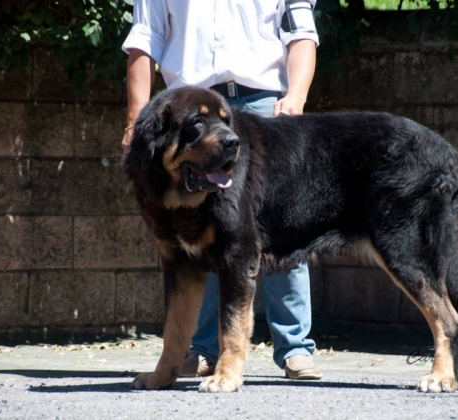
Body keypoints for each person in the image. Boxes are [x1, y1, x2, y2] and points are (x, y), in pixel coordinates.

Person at [121, 0, 322, 380]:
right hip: (189, 110)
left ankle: (295, 347)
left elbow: (300, 31)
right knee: (194, 234)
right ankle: (200, 350)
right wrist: (136, 119)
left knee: (280, 221)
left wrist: (295, 97)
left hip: (264, 102)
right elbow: (144, 40)